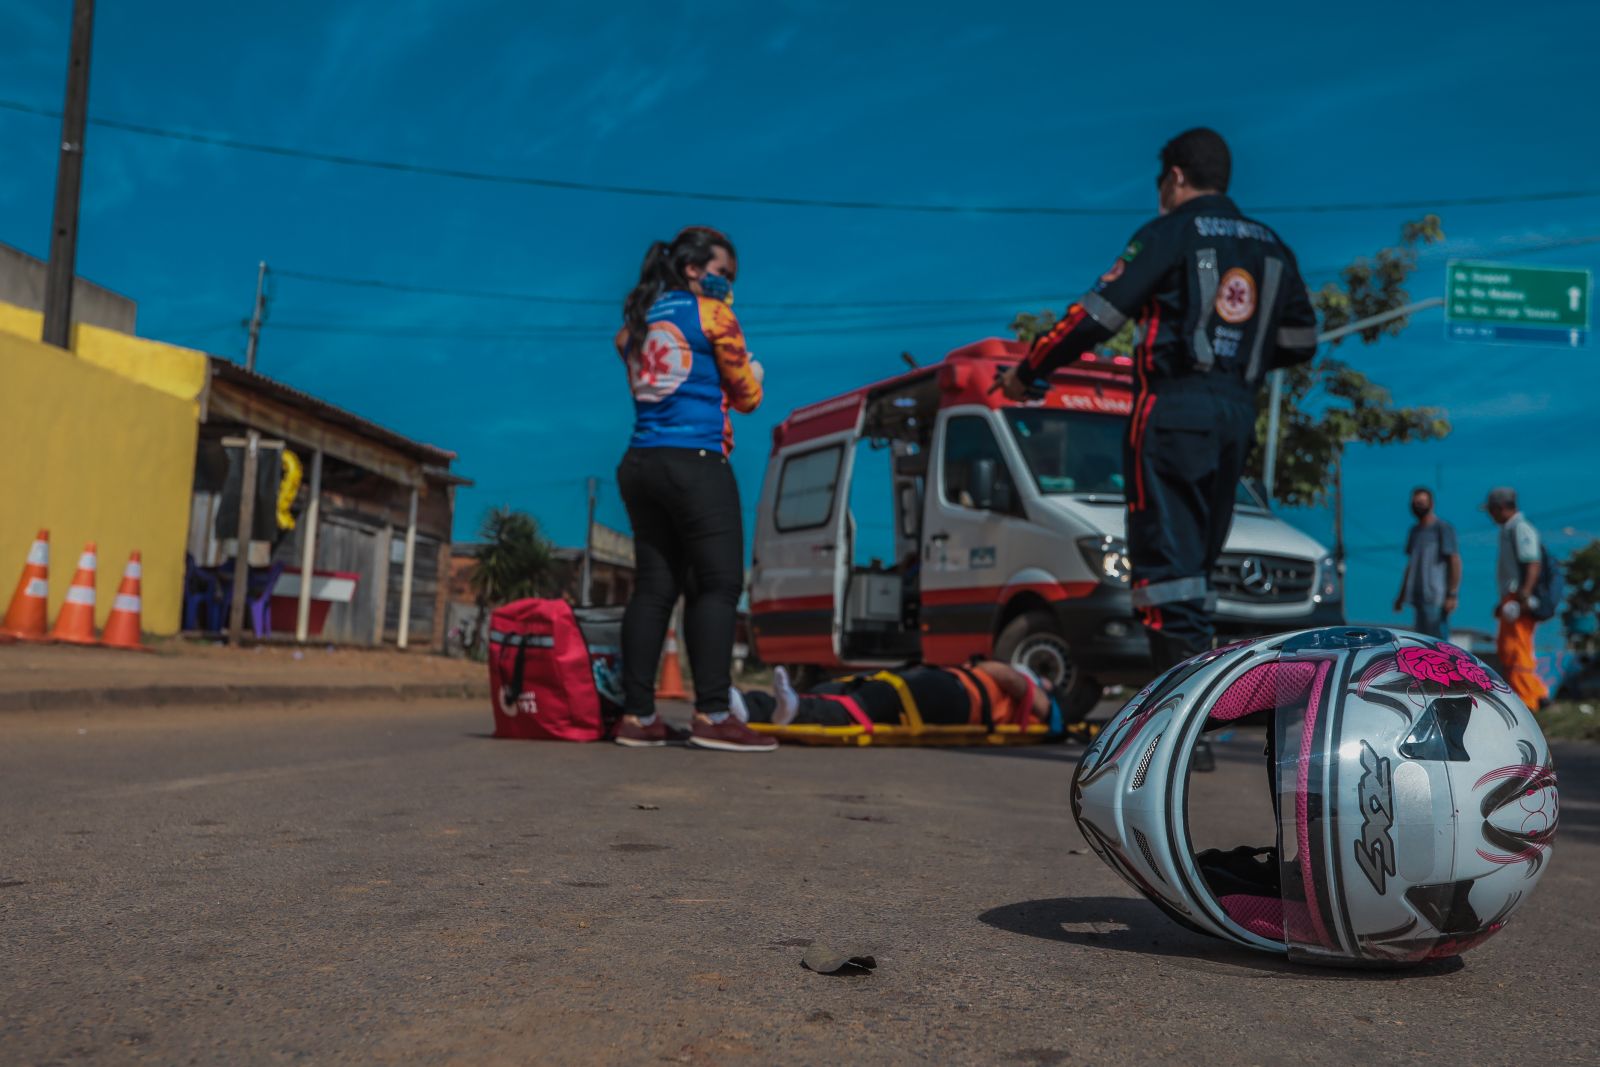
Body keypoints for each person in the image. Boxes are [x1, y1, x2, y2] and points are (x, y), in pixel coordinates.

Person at [999, 128, 1319, 670]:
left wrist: (1029, 370)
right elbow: (1301, 339)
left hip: (1173, 410)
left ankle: (1176, 707)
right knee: (1199, 564)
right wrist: (1240, 353)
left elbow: (1097, 315)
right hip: (1237, 415)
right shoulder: (1273, 246)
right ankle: (1201, 694)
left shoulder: (1169, 234)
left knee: (1166, 571)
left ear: (1174, 177)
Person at [611, 226, 773, 751]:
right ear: (693, 270)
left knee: (655, 589)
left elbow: (642, 370)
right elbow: (747, 397)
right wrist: (754, 372)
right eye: (723, 273)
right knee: (719, 585)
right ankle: (714, 714)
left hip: (641, 463)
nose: (729, 284)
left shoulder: (637, 324)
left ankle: (637, 718)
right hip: (696, 461)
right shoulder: (715, 316)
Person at [730, 661, 1060, 735]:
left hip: (960, 699)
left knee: (877, 698)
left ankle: (795, 709)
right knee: (849, 687)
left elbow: (1005, 675)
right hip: (948, 686)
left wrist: (1032, 685)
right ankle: (750, 706)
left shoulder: (1039, 699)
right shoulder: (1023, 687)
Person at [1486, 486, 1550, 710]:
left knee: (1516, 649)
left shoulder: (1520, 528)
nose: (1490, 515)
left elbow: (1533, 562)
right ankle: (1537, 694)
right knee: (1509, 647)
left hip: (1519, 598)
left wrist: (1524, 594)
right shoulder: (1509, 530)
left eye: (1492, 510)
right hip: (1511, 597)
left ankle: (1528, 700)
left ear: (1502, 507)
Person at [1393, 486, 1461, 639]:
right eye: (1415, 503)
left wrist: (1452, 594)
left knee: (1437, 643)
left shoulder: (1442, 528)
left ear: (1431, 504)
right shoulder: (1414, 531)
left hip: (1436, 597)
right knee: (1421, 642)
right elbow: (1411, 565)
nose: (1418, 506)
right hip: (1418, 597)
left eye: (1422, 502)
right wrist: (1401, 596)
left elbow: (1454, 560)